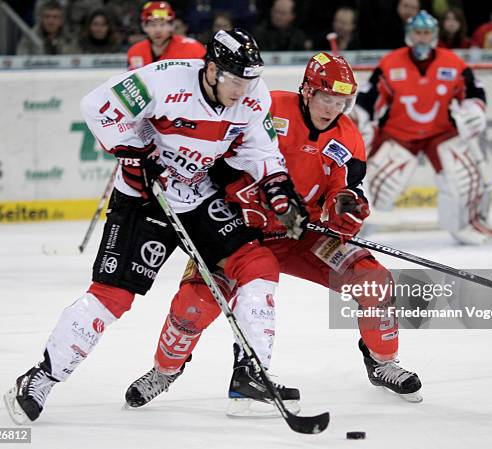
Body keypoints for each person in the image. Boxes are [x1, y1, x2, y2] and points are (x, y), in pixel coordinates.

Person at [3, 28, 308, 425]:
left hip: (198, 193)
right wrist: (135, 152)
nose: (243, 89)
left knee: (258, 264)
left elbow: (262, 153)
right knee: (112, 296)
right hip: (142, 198)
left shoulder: (253, 97)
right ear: (212, 69)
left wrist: (280, 193)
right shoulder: (163, 80)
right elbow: (97, 106)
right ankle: (40, 378)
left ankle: (252, 370)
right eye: (235, 79)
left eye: (250, 79)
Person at [123, 52, 423, 417]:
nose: (333, 108)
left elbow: (348, 189)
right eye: (327, 97)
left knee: (374, 281)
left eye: (342, 100)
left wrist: (346, 206)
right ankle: (165, 370)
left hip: (303, 235)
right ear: (307, 91)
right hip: (237, 231)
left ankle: (382, 362)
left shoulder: (349, 137)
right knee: (192, 307)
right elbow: (214, 160)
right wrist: (236, 193)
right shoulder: (265, 107)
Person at [354, 11, 492, 245]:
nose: (422, 38)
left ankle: (469, 225)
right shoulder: (390, 63)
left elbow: (474, 91)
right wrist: (359, 115)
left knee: (462, 181)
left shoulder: (453, 62)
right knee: (379, 189)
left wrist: (475, 109)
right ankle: (354, 230)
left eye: (427, 33)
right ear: (409, 35)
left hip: (442, 133)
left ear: (434, 35)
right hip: (398, 135)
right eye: (417, 33)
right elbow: (369, 96)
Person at [127, 1, 205, 70]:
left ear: (172, 26)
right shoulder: (135, 51)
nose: (158, 30)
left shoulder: (193, 48)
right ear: (144, 27)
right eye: (152, 25)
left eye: (163, 24)